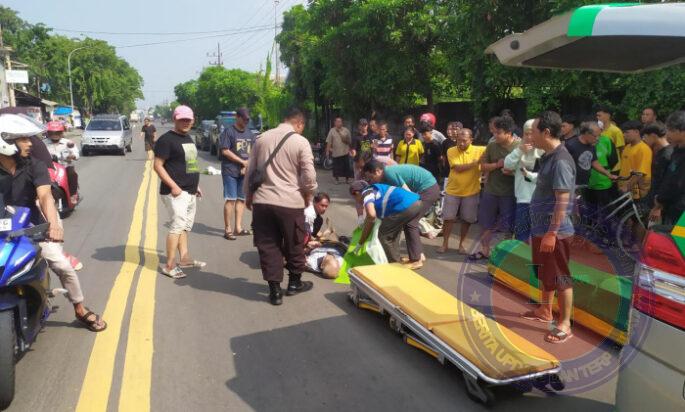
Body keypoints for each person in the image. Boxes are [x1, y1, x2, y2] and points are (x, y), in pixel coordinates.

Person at [0, 114, 106, 331]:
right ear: (5, 141)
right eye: (23, 139)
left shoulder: (34, 165)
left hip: (30, 228)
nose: (30, 144)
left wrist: (54, 226)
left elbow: (45, 196)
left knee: (62, 266)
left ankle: (79, 308)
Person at [244, 108, 317, 306]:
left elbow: (250, 171)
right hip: (290, 202)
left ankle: (274, 291)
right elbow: (309, 176)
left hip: (262, 201)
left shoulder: (261, 139)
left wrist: (248, 197)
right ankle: (294, 284)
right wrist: (308, 194)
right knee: (294, 241)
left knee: (268, 245)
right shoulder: (301, 141)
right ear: (299, 124)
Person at [522, 110, 576, 344]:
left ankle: (565, 323)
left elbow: (562, 199)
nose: (530, 135)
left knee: (561, 277)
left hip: (555, 231)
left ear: (546, 132)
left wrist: (552, 233)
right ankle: (546, 311)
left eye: (533, 131)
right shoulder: (548, 156)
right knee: (544, 273)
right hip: (540, 229)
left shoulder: (561, 160)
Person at [153, 105, 205, 279]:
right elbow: (157, 165)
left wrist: (195, 185)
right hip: (174, 192)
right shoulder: (166, 140)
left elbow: (190, 164)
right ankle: (169, 265)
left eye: (188, 120)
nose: (185, 122)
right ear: (174, 119)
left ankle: (184, 258)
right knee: (177, 226)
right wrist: (174, 186)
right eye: (182, 119)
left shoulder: (188, 138)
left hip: (189, 190)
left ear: (193, 121)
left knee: (184, 227)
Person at [363, 161, 440, 269]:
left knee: (411, 222)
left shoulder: (389, 173)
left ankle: (416, 260)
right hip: (425, 188)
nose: (369, 181)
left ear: (377, 171)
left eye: (370, 177)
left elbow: (407, 192)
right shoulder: (385, 175)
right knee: (409, 220)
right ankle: (418, 255)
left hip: (428, 189)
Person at [470, 116, 519, 260]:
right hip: (491, 191)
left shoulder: (519, 147)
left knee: (507, 226)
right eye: (494, 132)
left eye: (498, 133)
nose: (495, 135)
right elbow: (482, 166)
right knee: (486, 222)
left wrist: (512, 171)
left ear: (509, 133)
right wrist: (497, 165)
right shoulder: (492, 145)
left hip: (510, 193)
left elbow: (526, 169)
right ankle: (485, 250)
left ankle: (504, 255)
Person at [350, 180, 423, 265]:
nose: (357, 201)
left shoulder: (367, 193)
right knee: (393, 232)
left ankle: (394, 264)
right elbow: (372, 217)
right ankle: (398, 258)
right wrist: (362, 220)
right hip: (416, 203)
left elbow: (371, 216)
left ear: (357, 193)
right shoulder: (377, 189)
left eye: (354, 198)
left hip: (405, 206)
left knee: (384, 236)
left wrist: (360, 242)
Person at [439, 128, 485, 254]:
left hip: (471, 191)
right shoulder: (451, 150)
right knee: (448, 218)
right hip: (453, 191)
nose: (461, 143)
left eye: (464, 141)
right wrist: (476, 163)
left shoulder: (480, 150)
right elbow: (458, 168)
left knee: (467, 220)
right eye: (459, 140)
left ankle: (461, 244)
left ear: (471, 140)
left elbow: (493, 149)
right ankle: (445, 243)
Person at [503, 119, 544, 241]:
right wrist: (520, 151)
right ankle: (522, 259)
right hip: (523, 199)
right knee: (522, 236)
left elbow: (547, 178)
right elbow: (507, 165)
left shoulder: (546, 151)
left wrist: (529, 175)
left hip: (541, 200)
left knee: (539, 237)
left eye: (532, 133)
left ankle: (538, 260)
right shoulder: (519, 150)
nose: (529, 137)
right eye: (526, 134)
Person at [219, 108, 255, 240]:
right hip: (230, 171)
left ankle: (238, 228)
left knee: (241, 199)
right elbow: (225, 151)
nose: (246, 121)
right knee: (231, 199)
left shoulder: (250, 134)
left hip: (244, 172)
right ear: (237, 117)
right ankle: (228, 229)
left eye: (247, 119)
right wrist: (242, 162)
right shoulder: (229, 132)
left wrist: (248, 165)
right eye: (244, 118)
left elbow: (254, 152)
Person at [651, 111, 685, 225]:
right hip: (670, 207)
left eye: (670, 130)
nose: (667, 134)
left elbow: (677, 183)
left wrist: (660, 200)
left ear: (682, 131)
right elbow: (669, 178)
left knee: (678, 241)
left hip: (681, 213)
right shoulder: (676, 150)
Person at [565, 121, 617, 187]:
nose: (597, 139)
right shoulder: (571, 145)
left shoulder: (592, 145)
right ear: (587, 133)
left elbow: (594, 162)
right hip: (571, 184)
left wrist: (609, 175)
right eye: (595, 136)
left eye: (599, 136)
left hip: (585, 183)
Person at [44, 120, 80, 205]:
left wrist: (72, 156)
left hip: (65, 166)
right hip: (48, 168)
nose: (55, 135)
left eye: (57, 132)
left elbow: (76, 153)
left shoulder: (68, 143)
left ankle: (73, 194)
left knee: (72, 173)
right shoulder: (43, 143)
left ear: (61, 132)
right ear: (48, 133)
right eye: (52, 133)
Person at [642, 122, 673, 215]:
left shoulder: (668, 155)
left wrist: (658, 206)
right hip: (655, 199)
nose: (644, 139)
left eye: (645, 136)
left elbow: (668, 183)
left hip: (663, 205)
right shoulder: (660, 152)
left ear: (653, 136)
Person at [619, 120, 652, 201]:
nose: (624, 135)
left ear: (637, 132)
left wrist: (627, 187)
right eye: (623, 132)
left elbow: (640, 173)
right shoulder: (627, 147)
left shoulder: (644, 149)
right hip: (625, 189)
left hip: (636, 190)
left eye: (627, 132)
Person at [325, 116, 353, 184]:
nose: (339, 123)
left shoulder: (346, 130)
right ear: (335, 123)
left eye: (340, 121)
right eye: (337, 121)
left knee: (346, 166)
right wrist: (327, 151)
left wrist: (351, 150)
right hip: (336, 152)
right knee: (336, 168)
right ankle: (336, 179)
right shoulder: (332, 130)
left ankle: (347, 179)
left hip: (345, 152)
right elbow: (329, 141)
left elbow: (350, 141)